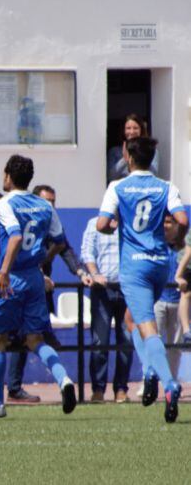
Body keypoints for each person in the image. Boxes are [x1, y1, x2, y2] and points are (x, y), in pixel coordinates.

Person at [0, 155, 76, 418]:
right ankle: (64, 380)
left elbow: (16, 236)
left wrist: (5, 272)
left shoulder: (5, 204)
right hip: (34, 277)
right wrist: (39, 264)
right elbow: (60, 240)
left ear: (8, 175)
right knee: (35, 339)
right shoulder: (44, 205)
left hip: (13, 277)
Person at [97, 136, 187, 423]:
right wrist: (176, 239)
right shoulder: (166, 186)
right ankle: (149, 370)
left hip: (134, 268)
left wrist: (115, 226)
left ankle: (168, 384)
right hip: (159, 264)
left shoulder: (117, 187)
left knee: (148, 329)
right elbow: (182, 220)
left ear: (128, 157)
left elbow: (101, 225)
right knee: (131, 320)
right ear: (152, 158)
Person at [6, 184, 89, 403]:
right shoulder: (22, 220)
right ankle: (10, 389)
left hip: (39, 290)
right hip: (21, 285)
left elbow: (65, 248)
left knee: (30, 338)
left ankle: (15, 389)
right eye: (47, 201)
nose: (51, 205)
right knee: (17, 339)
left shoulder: (51, 221)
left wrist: (80, 272)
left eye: (53, 201)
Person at [80, 215, 131, 402]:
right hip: (102, 290)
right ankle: (98, 389)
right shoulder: (94, 223)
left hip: (127, 289)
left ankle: (121, 389)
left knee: (125, 342)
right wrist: (95, 273)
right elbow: (87, 251)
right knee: (99, 342)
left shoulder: (130, 222)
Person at [155, 214, 184, 379]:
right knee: (153, 342)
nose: (165, 226)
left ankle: (171, 381)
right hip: (158, 300)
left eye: (169, 222)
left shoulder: (184, 247)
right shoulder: (157, 245)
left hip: (178, 302)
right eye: (163, 222)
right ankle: (149, 379)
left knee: (175, 346)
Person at [107, 114, 157, 183]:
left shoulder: (150, 149)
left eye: (135, 128)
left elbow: (154, 174)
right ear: (123, 130)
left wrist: (143, 153)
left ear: (141, 130)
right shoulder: (114, 151)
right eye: (128, 128)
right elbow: (110, 176)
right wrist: (124, 160)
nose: (132, 132)